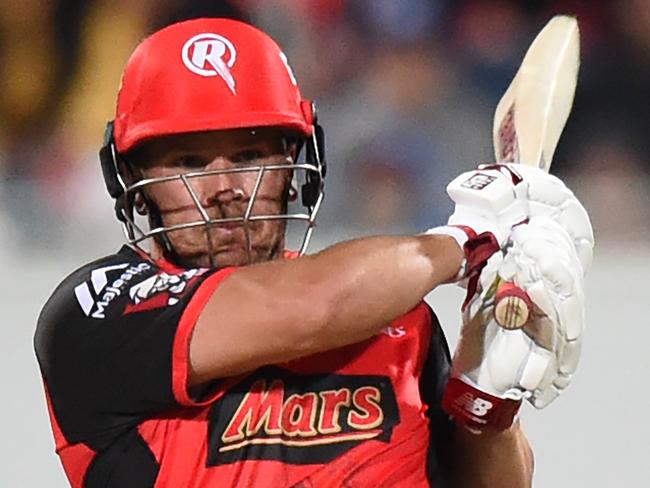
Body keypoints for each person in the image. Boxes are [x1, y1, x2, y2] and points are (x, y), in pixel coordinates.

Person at [34, 18, 593, 488]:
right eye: (189, 163)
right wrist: (471, 236)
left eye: (250, 155)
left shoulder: (398, 319)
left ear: (296, 166)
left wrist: (486, 406)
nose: (224, 188)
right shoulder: (95, 310)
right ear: (133, 179)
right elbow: (311, 307)